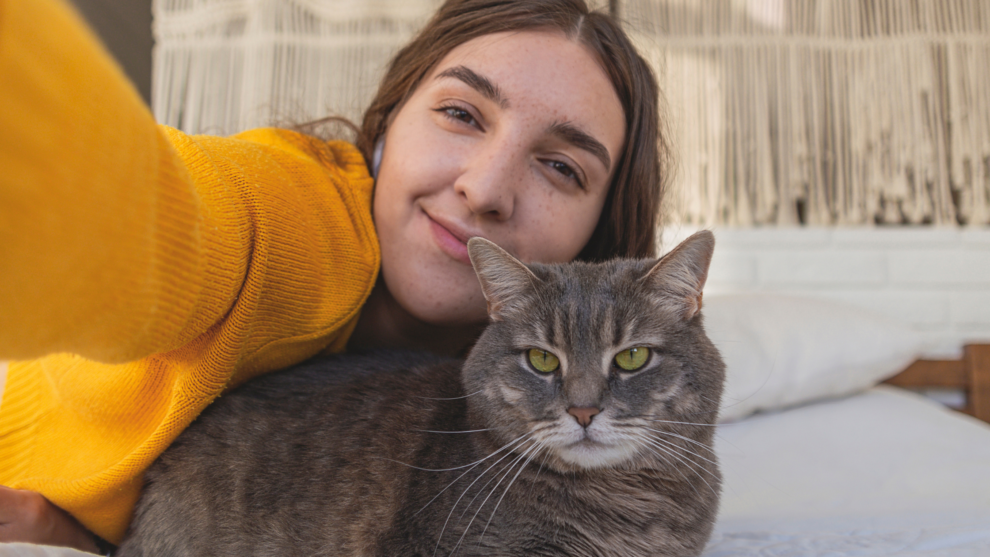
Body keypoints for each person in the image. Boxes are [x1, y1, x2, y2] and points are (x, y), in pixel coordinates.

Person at [0, 0, 669, 552]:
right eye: (461, 114)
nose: (485, 187)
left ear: (598, 242)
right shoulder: (288, 219)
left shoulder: (532, 386)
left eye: (561, 168)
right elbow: (136, 217)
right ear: (385, 125)